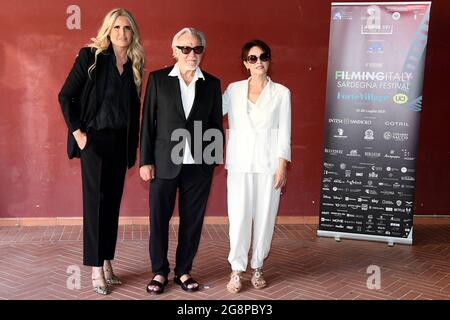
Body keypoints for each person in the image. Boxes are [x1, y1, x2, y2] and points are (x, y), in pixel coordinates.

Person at [58, 8, 144, 295]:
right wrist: (78, 132)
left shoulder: (133, 63)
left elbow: (132, 110)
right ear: (108, 30)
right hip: (93, 141)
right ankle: (96, 269)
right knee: (95, 205)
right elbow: (65, 95)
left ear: (133, 33)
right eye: (117, 27)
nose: (122, 33)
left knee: (112, 205)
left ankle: (107, 261)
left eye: (127, 28)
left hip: (120, 143)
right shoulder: (91, 57)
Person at [139, 27, 223, 294]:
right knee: (159, 219)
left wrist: (212, 160)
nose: (191, 54)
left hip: (198, 165)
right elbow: (148, 124)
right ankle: (160, 271)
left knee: (192, 221)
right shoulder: (158, 80)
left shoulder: (211, 83)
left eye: (197, 48)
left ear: (202, 52)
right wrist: (145, 161)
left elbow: (214, 124)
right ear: (174, 51)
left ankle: (184, 270)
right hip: (164, 162)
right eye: (185, 48)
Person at [222, 39, 291, 293]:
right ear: (245, 63)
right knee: (238, 217)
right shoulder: (234, 89)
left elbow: (285, 131)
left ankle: (258, 265)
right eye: (253, 58)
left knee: (265, 218)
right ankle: (237, 269)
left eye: (263, 56)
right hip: (239, 165)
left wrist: (282, 165)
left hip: (268, 165)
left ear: (268, 60)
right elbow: (210, 112)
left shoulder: (282, 93)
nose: (259, 62)